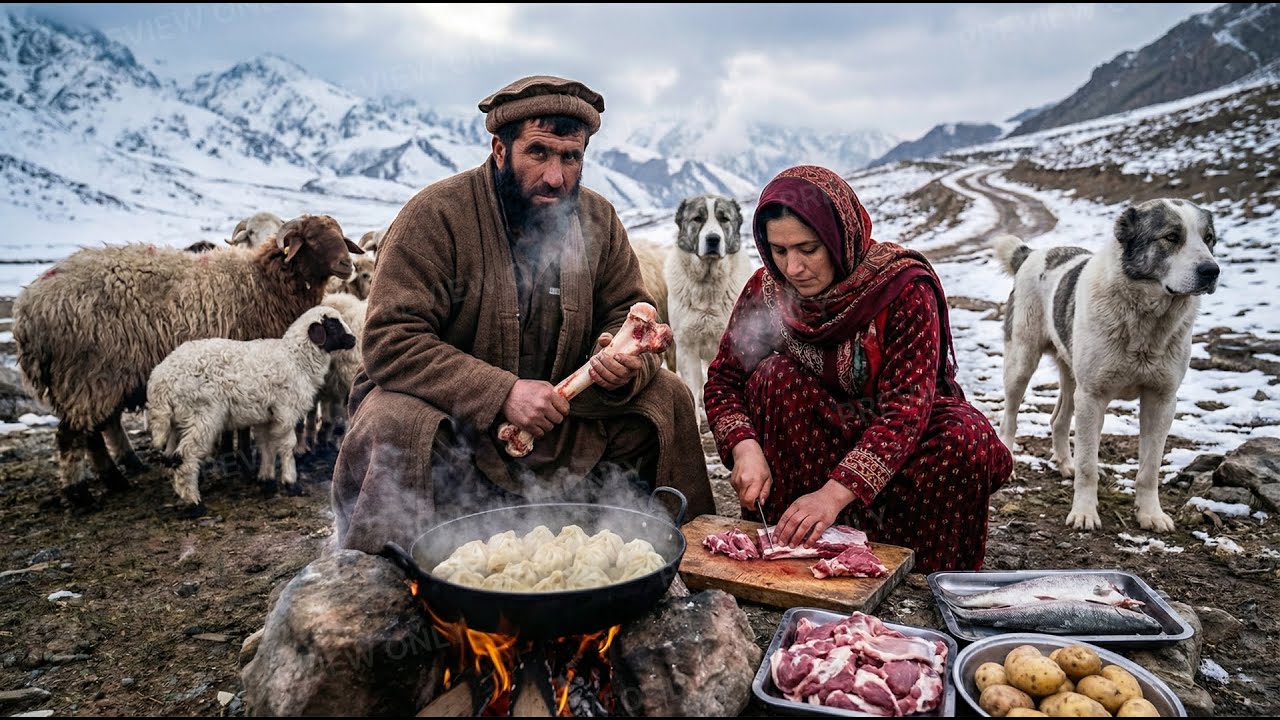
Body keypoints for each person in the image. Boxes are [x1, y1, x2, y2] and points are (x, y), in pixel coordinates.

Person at [332, 75, 715, 554]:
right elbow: (391, 340)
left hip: (563, 414)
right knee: (394, 420)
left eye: (570, 157)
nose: (555, 176)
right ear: (499, 149)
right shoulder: (435, 216)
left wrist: (620, 361)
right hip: (458, 421)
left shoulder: (599, 221)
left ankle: (673, 556)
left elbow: (626, 311)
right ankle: (382, 576)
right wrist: (502, 393)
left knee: (667, 397)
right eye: (538, 153)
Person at [703, 165, 1012, 572]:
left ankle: (929, 576)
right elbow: (726, 381)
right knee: (772, 378)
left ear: (838, 238)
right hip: (814, 434)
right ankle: (795, 549)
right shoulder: (767, 290)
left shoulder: (902, 289)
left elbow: (905, 410)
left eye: (808, 249)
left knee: (964, 436)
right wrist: (745, 448)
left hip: (900, 441)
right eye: (779, 251)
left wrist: (833, 494)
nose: (793, 268)